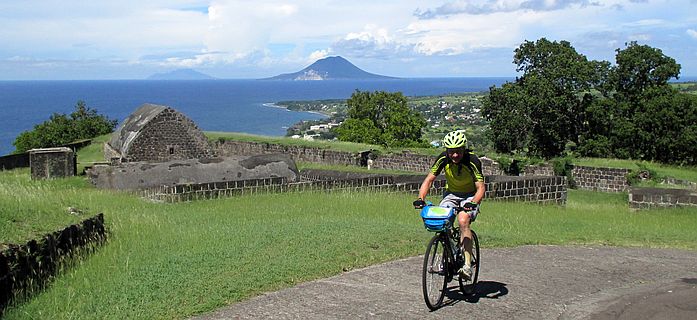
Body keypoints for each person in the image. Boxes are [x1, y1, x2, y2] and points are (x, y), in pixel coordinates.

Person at [413, 130, 485, 279]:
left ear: (464, 149)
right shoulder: (443, 159)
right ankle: (448, 256)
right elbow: (429, 180)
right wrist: (421, 198)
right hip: (451, 195)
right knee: (442, 220)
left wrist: (473, 203)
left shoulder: (472, 161)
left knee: (463, 220)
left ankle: (466, 265)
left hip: (470, 195)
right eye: (451, 152)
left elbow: (481, 188)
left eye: (458, 151)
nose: (455, 155)